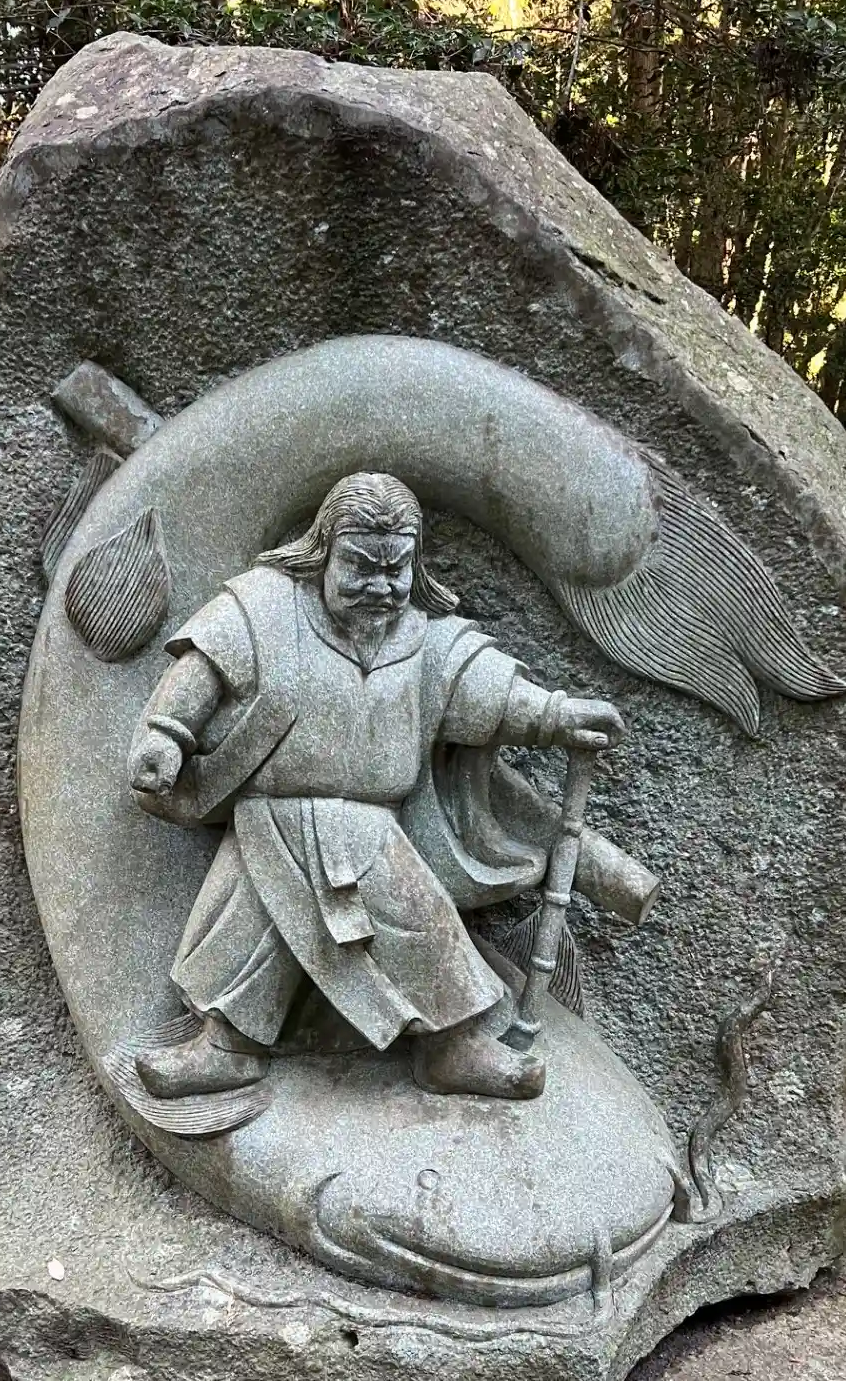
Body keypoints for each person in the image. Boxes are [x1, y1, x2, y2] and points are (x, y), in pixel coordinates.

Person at [127, 472, 623, 1101]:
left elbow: (489, 691)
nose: (381, 587)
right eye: (360, 567)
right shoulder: (264, 610)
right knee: (248, 935)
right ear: (323, 552)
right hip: (269, 823)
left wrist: (556, 715)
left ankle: (451, 1047)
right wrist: (165, 738)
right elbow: (201, 672)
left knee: (421, 927)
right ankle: (226, 1049)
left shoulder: (425, 638)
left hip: (374, 829)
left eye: (397, 569)